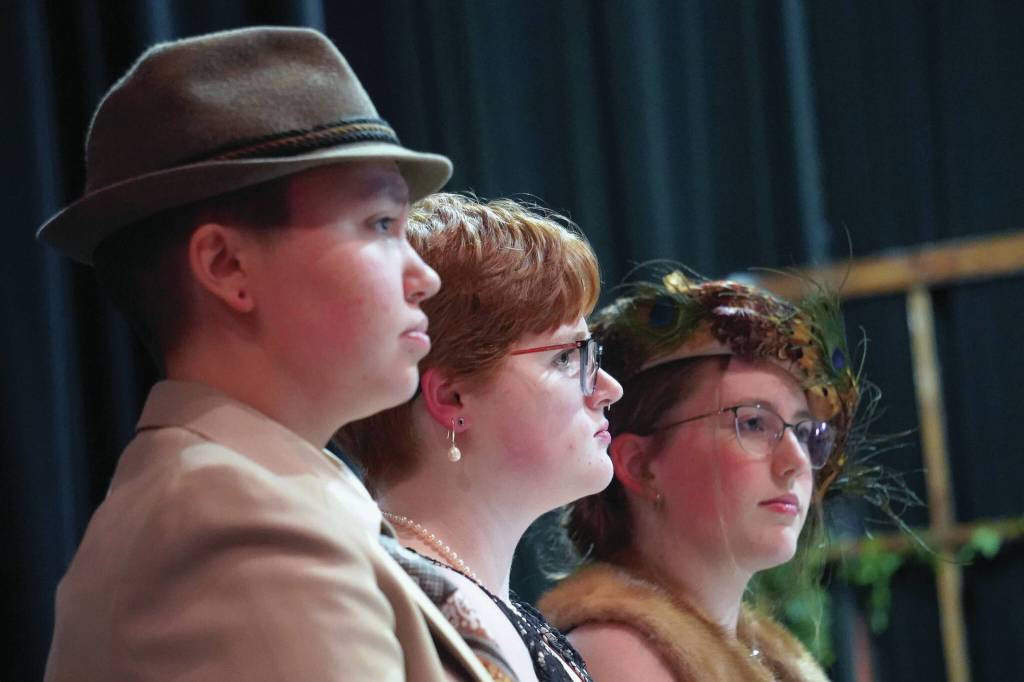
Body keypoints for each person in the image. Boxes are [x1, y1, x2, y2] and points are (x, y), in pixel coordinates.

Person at [38, 27, 493, 681]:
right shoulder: (236, 522)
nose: (426, 277)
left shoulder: (267, 494)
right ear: (227, 266)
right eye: (382, 224)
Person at [335, 193, 625, 682]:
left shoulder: (493, 608)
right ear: (451, 399)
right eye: (565, 358)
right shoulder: (399, 611)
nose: (608, 389)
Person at [539, 269, 861, 681]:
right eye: (752, 423)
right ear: (640, 465)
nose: (796, 460)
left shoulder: (768, 654)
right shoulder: (620, 657)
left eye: (804, 432)